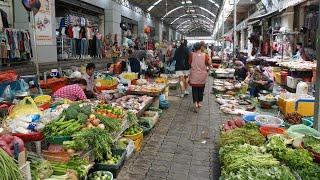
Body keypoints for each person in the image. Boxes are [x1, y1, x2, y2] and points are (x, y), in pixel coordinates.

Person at [189, 42, 212, 112]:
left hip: (194, 75)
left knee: (194, 89)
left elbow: (189, 63)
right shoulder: (205, 55)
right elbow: (209, 64)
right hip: (202, 75)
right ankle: (199, 103)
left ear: (194, 48)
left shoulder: (191, 54)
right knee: (201, 89)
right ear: (201, 47)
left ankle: (195, 103)